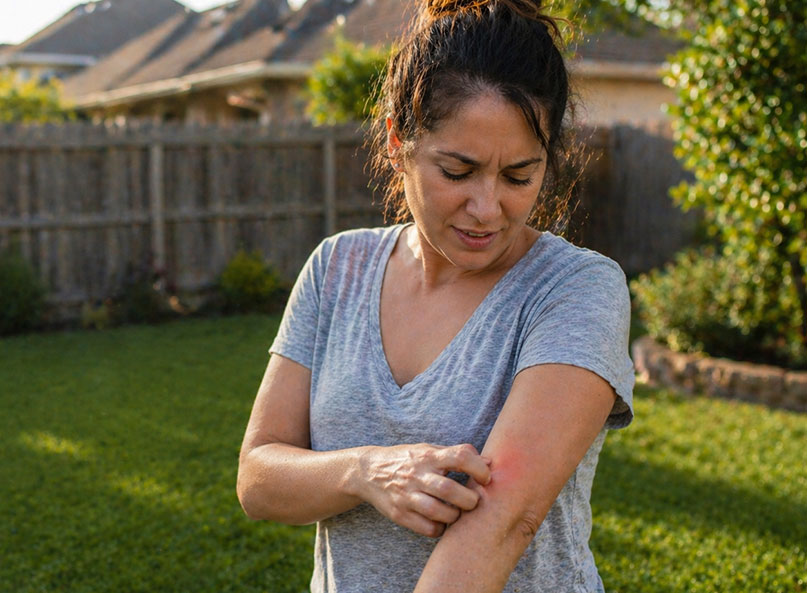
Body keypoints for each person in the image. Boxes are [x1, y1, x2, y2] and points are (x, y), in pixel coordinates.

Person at [236, 0, 635, 590]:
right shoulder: (336, 267)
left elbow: (506, 523)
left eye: (519, 176)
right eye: (457, 171)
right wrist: (365, 471)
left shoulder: (575, 289)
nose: (487, 207)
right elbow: (258, 477)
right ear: (398, 140)